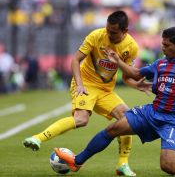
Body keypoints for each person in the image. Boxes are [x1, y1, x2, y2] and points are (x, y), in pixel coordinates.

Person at [54, 27, 175, 175]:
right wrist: (118, 62)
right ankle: (77, 162)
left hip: (173, 121)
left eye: (166, 45)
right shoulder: (160, 63)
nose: (162, 48)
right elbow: (135, 74)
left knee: (168, 167)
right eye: (162, 44)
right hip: (152, 112)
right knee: (113, 129)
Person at [23, 10, 147, 176]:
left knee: (127, 120)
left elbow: (126, 76)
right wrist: (80, 84)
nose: (108, 34)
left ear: (125, 31)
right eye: (107, 29)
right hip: (85, 84)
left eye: (113, 32)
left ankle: (122, 165)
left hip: (105, 90)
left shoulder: (131, 47)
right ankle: (37, 138)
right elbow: (75, 60)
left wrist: (135, 85)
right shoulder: (96, 36)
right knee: (81, 119)